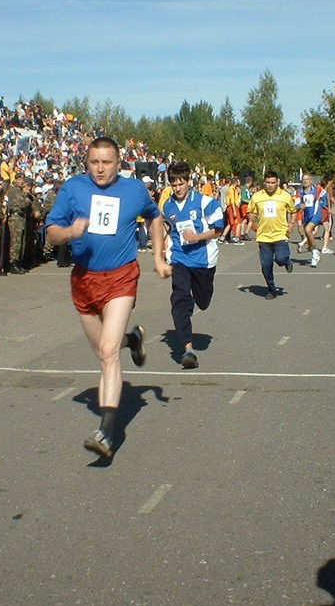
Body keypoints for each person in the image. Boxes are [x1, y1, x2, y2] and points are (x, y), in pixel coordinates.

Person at [46, 136, 168, 460]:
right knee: (104, 350)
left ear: (119, 163)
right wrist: (70, 232)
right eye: (94, 162)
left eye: (107, 162)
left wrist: (158, 257)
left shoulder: (134, 190)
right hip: (84, 280)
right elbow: (50, 232)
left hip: (121, 276)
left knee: (107, 352)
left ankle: (107, 431)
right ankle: (134, 340)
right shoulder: (72, 188)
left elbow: (155, 217)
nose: (100, 169)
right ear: (86, 162)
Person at [162, 160, 223, 368]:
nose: (178, 188)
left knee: (203, 301)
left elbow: (218, 229)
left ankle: (198, 297)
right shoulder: (167, 205)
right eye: (174, 184)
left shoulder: (205, 202)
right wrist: (162, 248)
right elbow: (168, 229)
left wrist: (197, 237)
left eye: (181, 183)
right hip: (179, 258)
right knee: (179, 300)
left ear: (188, 182)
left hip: (203, 261)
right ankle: (188, 350)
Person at [247, 171, 295, 299]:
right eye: (267, 183)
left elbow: (293, 211)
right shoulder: (257, 197)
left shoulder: (285, 196)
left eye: (273, 183)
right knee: (266, 266)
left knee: (280, 259)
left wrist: (291, 223)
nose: (270, 185)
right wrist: (251, 220)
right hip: (263, 236)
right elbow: (251, 211)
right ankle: (271, 289)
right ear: (264, 182)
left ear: (277, 182)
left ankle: (287, 261)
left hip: (280, 235)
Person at [295, 174, 326, 267]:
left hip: (316, 215)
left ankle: (315, 253)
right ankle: (314, 252)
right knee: (308, 235)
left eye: (307, 179)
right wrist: (299, 206)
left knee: (308, 230)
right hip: (306, 216)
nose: (305, 181)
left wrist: (325, 205)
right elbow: (295, 206)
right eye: (303, 179)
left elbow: (326, 195)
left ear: (311, 181)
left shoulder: (317, 189)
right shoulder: (299, 193)